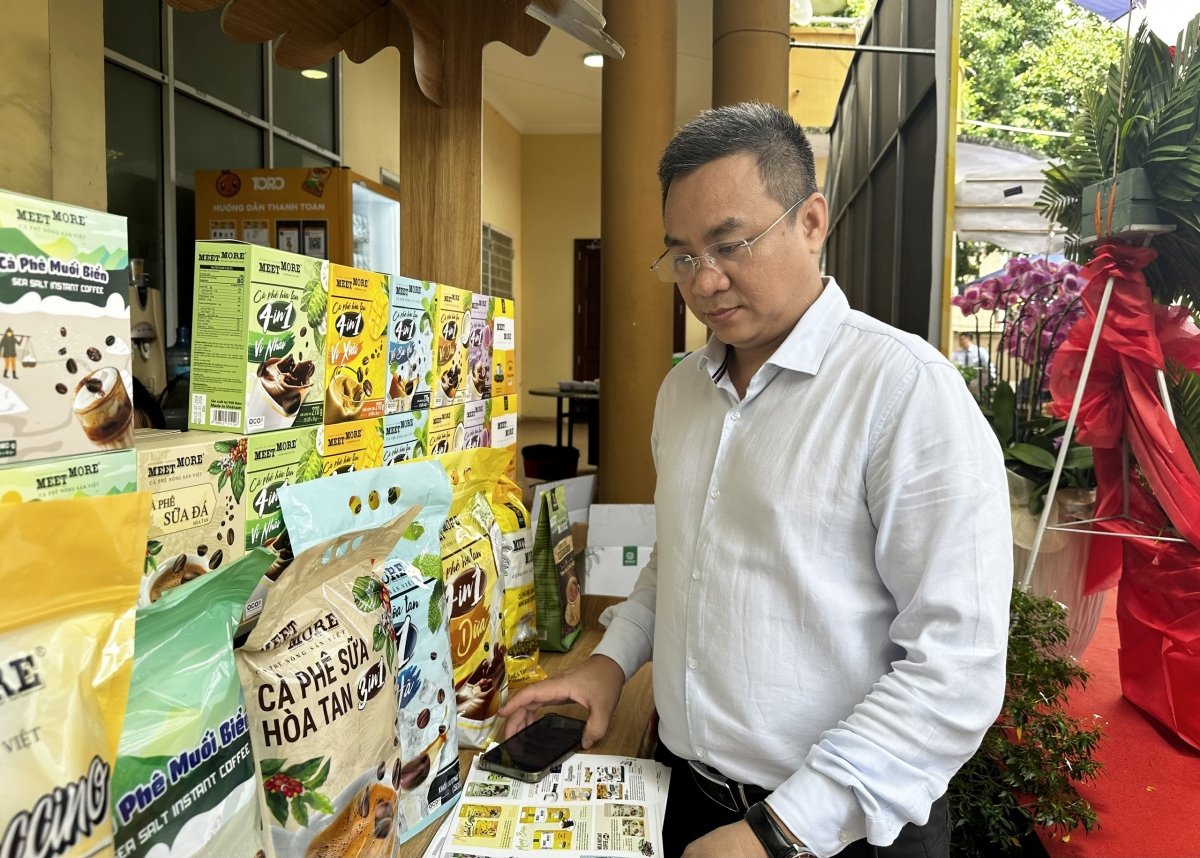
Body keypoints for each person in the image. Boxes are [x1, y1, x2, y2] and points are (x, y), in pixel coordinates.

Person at [500, 103, 1012, 858]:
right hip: (687, 796)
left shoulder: (905, 390)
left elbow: (956, 666)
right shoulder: (682, 391)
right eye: (681, 256)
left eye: (730, 244)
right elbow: (679, 561)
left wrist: (779, 831)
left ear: (811, 222)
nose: (705, 281)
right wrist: (611, 662)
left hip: (841, 830)